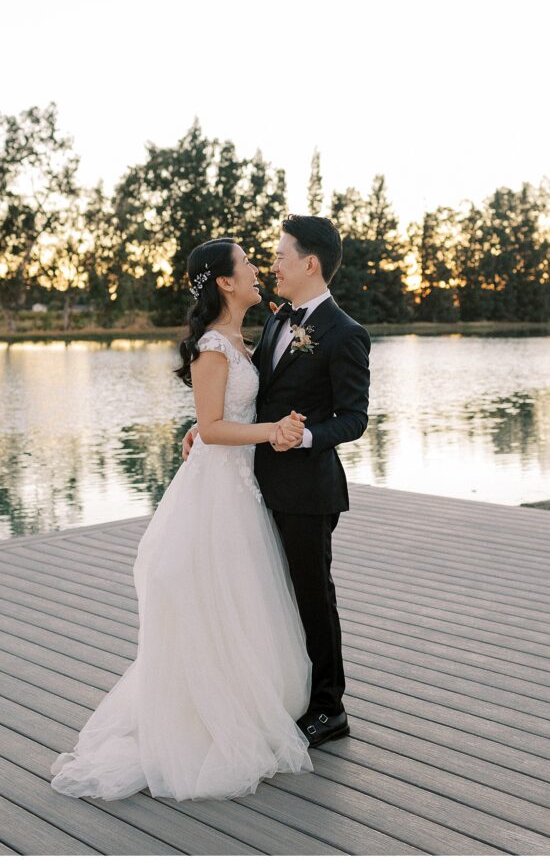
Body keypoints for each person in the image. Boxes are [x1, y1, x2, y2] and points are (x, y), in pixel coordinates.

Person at [51, 237, 314, 802]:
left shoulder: (245, 339)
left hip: (242, 488)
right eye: (246, 264)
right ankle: (206, 717)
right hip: (218, 491)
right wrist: (269, 433)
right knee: (216, 597)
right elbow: (214, 426)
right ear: (224, 281)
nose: (256, 270)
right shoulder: (213, 346)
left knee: (242, 599)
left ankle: (246, 701)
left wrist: (260, 425)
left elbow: (220, 416)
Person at [183, 215, 371, 747]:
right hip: (255, 482)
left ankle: (330, 709)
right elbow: (247, 396)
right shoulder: (276, 319)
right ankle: (287, 695)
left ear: (309, 263)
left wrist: (304, 438)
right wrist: (203, 427)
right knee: (272, 597)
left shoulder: (345, 333)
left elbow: (354, 418)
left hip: (308, 490)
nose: (273, 264)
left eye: (282, 255)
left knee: (313, 595)